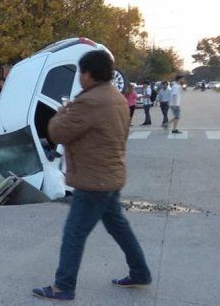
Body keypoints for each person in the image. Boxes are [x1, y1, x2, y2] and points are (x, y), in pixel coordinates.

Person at [32, 50, 151, 301]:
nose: (80, 78)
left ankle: (63, 286)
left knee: (74, 232)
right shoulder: (117, 98)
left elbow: (56, 132)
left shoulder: (90, 102)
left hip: (93, 180)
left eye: (81, 73)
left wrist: (64, 110)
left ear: (89, 74)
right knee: (119, 227)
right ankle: (140, 272)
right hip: (111, 175)